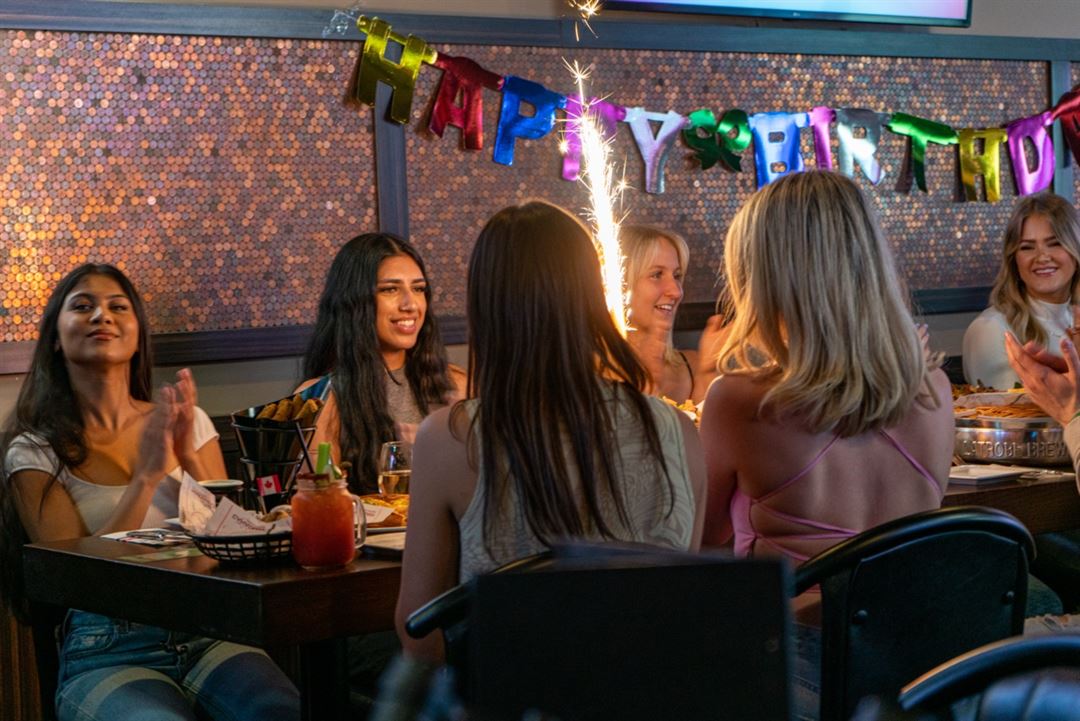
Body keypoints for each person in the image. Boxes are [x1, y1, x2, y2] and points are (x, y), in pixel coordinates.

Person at [395, 200, 707, 660]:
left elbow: (419, 634)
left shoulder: (452, 437)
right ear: (594, 297)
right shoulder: (680, 432)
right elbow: (685, 601)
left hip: (514, 693)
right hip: (651, 690)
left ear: (487, 307)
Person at [698, 171, 953, 721]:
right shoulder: (934, 387)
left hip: (797, 668)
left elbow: (702, 541)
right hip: (921, 670)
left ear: (767, 276)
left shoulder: (740, 400)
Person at [0, 263, 299, 721]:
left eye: (118, 307)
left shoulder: (188, 422)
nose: (102, 315)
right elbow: (74, 583)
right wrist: (145, 477)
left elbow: (230, 543)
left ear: (138, 335)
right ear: (56, 337)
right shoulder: (35, 449)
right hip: (107, 648)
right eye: (83, 306)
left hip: (209, 631)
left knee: (283, 711)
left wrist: (189, 456)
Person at [298, 233, 465, 495]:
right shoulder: (320, 398)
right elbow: (321, 505)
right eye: (390, 289)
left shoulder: (458, 384)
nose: (410, 304)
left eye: (418, 289)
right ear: (354, 302)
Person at [963, 192, 1080, 390]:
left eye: (1055, 244)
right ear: (1014, 260)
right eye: (1027, 247)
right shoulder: (991, 329)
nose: (1042, 257)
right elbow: (1014, 407)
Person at [619, 224, 726, 404]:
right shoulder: (590, 375)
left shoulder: (694, 365)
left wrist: (707, 375)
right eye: (657, 275)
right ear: (620, 284)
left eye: (676, 276)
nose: (676, 292)